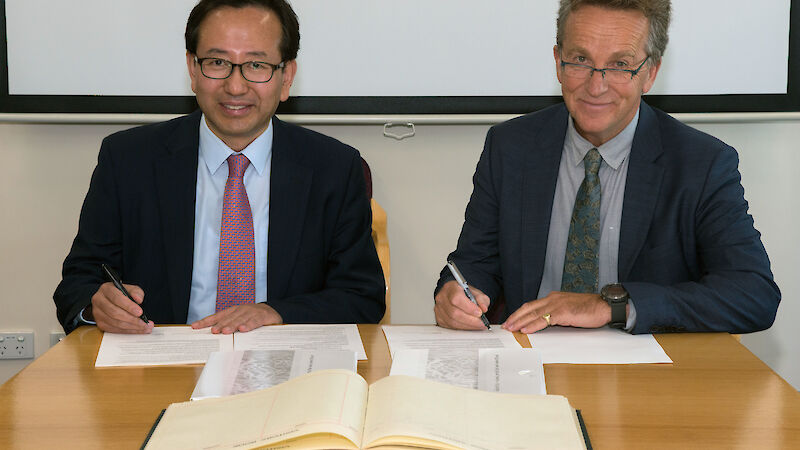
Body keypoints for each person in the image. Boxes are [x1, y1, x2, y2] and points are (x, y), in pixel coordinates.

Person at [434, 0, 780, 335]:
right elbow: (472, 265)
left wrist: (613, 306)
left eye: (619, 65)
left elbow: (753, 295)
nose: (596, 86)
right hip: (530, 365)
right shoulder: (510, 147)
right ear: (558, 62)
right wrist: (455, 295)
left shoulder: (700, 164)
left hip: (649, 380)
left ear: (650, 73)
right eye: (581, 60)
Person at [54, 0, 385, 334]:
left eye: (256, 65)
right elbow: (78, 284)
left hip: (287, 367)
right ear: (193, 70)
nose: (236, 86)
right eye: (217, 62)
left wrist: (276, 313)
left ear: (287, 78)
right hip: (162, 368)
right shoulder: (128, 160)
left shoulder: (334, 168)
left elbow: (362, 297)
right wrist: (97, 305)